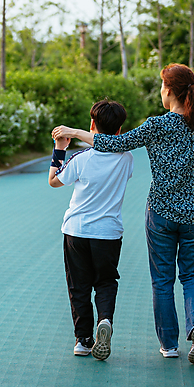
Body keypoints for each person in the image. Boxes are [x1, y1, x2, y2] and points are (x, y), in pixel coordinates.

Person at [53, 63, 194, 366]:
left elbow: (115, 143)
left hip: (161, 213)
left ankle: (169, 346)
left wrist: (73, 132)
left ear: (169, 91)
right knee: (193, 275)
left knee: (162, 280)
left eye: (162, 86)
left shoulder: (157, 125)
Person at [49, 99, 134, 361]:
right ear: (119, 130)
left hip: (76, 231)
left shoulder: (81, 158)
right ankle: (104, 320)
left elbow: (54, 180)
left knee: (79, 285)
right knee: (106, 281)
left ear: (92, 125)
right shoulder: (127, 159)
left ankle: (83, 340)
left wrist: (60, 149)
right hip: (108, 233)